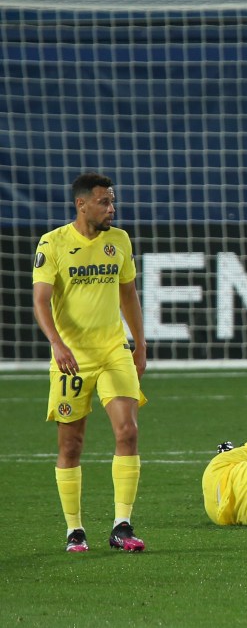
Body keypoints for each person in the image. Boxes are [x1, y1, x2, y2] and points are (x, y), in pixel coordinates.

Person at [32, 172, 148, 553]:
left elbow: (128, 293)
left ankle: (122, 526)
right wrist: (57, 344)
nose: (111, 209)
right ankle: (74, 529)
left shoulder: (119, 241)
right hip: (72, 358)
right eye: (104, 202)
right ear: (81, 204)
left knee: (128, 432)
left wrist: (140, 343)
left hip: (114, 349)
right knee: (71, 444)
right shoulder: (53, 244)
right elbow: (41, 300)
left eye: (111, 201)